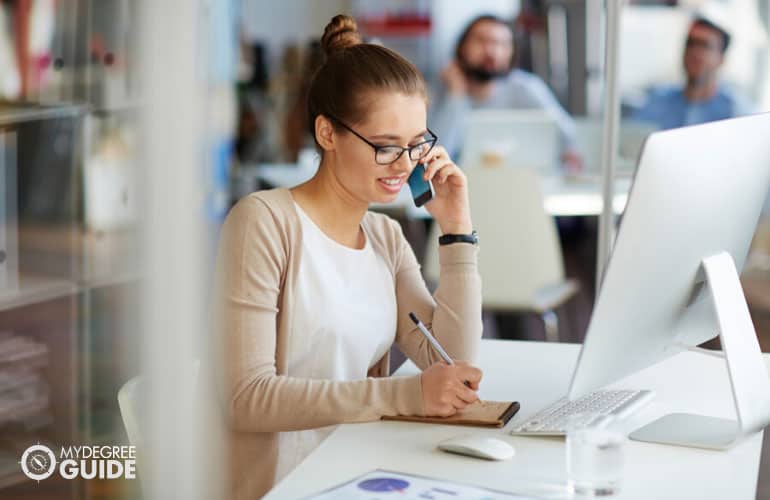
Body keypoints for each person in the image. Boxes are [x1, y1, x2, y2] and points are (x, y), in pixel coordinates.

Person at [211, 15, 484, 500]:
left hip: (358, 475)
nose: (404, 165)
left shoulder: (384, 235)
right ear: (327, 133)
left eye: (415, 145)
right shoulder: (263, 223)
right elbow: (246, 398)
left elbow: (450, 359)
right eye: (385, 147)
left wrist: (457, 231)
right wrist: (402, 395)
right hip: (282, 487)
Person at [431, 14, 581, 170]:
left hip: (521, 183)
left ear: (512, 52)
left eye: (501, 44)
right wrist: (456, 96)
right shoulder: (441, 92)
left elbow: (567, 138)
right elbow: (434, 154)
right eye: (481, 41)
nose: (491, 51)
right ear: (462, 47)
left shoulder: (526, 87)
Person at [632, 17, 754, 130]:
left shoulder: (737, 113)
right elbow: (632, 141)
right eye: (690, 43)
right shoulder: (659, 101)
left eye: (704, 45)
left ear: (721, 59)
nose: (694, 52)